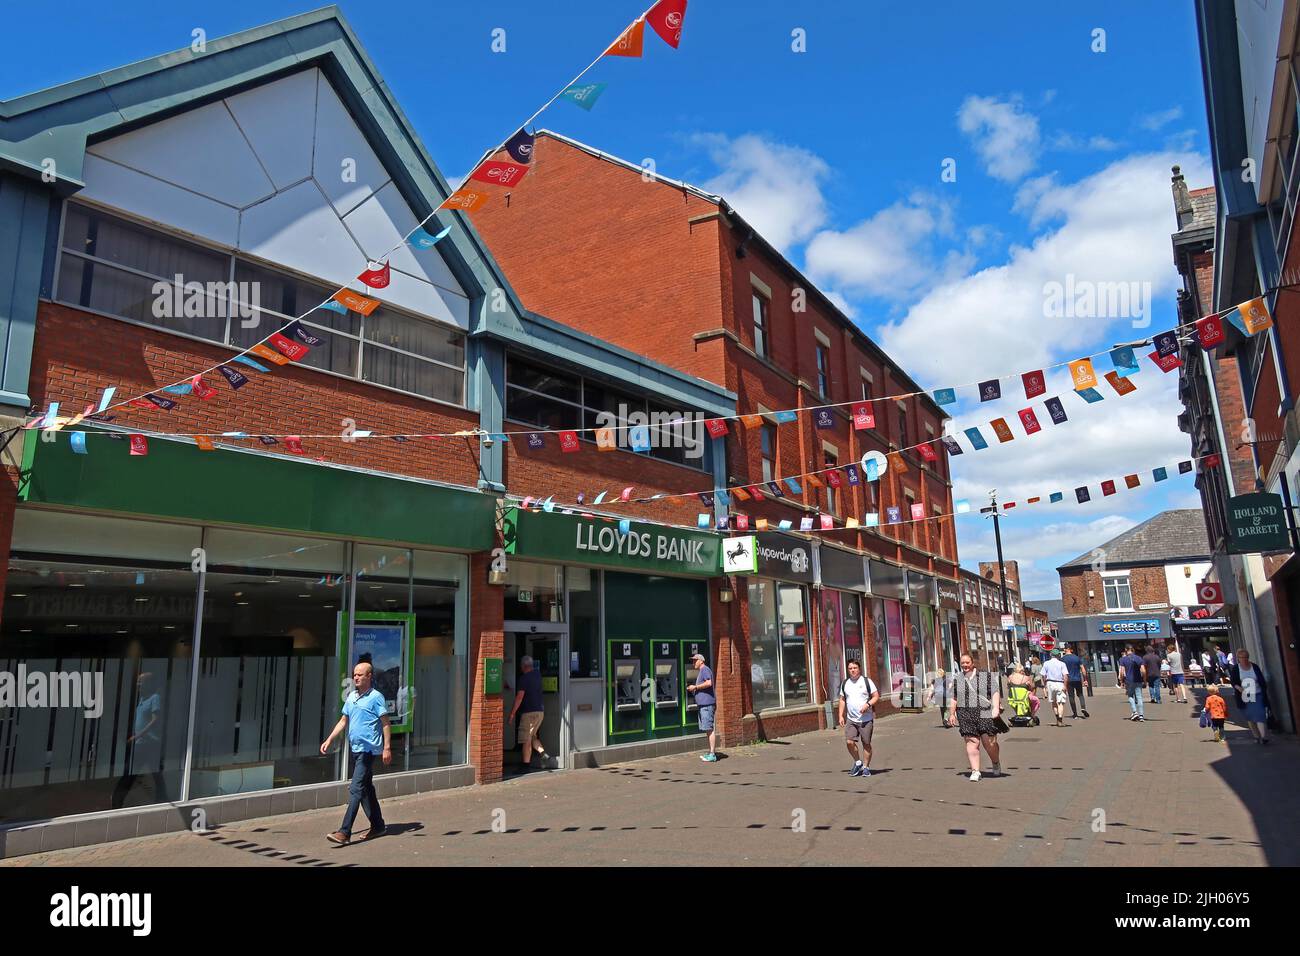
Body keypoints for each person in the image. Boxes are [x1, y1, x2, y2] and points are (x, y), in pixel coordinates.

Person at [322, 661, 391, 845]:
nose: (356, 677)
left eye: (360, 675)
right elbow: (344, 721)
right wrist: (330, 739)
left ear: (369, 676)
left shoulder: (376, 697)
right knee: (366, 789)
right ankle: (378, 826)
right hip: (355, 749)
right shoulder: (351, 697)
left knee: (356, 788)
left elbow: (385, 723)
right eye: (354, 674)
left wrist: (387, 748)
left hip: (369, 751)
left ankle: (344, 832)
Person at [111, 671, 168, 809]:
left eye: (140, 682)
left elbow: (155, 720)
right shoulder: (142, 700)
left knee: (132, 773)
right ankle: (162, 800)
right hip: (141, 744)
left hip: (149, 744)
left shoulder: (155, 698)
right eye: (137, 682)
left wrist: (138, 735)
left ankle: (117, 801)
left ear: (148, 683)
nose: (138, 685)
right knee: (151, 775)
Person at [948, 653, 1004, 781]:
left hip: (984, 712)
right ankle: (975, 771)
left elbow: (994, 691)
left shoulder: (982, 675)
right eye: (962, 663)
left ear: (972, 663)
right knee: (972, 742)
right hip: (965, 714)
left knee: (989, 742)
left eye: (967, 662)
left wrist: (995, 707)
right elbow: (954, 698)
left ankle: (995, 762)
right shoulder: (958, 679)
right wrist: (951, 714)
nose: (965, 665)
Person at [509, 655, 552, 770]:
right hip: (540, 712)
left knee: (526, 740)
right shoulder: (537, 675)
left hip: (529, 713)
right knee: (532, 736)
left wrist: (512, 713)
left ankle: (525, 766)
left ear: (523, 666)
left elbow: (519, 697)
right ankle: (543, 753)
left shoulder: (524, 679)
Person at [838, 659, 880, 776]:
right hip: (851, 719)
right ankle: (858, 762)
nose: (852, 670)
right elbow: (842, 700)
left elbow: (876, 696)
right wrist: (840, 715)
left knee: (866, 743)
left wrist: (868, 704)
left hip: (865, 720)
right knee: (849, 741)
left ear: (859, 668)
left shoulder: (867, 681)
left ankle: (866, 767)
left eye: (855, 668)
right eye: (850, 668)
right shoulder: (845, 683)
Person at [1228, 649, 1271, 744]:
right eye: (1242, 658)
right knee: (1250, 718)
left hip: (1257, 694)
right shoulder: (1236, 668)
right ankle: (1256, 736)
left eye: (1246, 657)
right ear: (1238, 659)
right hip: (1245, 697)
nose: (1244, 659)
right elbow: (1233, 681)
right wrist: (1238, 688)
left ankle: (1264, 737)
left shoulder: (1254, 667)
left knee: (1260, 715)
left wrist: (1264, 690)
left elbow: (1261, 680)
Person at [687, 652, 719, 761]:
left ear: (701, 661)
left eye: (695, 660)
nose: (693, 662)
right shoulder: (702, 671)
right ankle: (710, 752)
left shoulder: (705, 669)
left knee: (709, 729)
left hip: (707, 705)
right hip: (703, 705)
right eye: (693, 660)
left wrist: (695, 687)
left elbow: (709, 683)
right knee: (707, 729)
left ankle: (712, 755)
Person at [1040, 649, 1070, 727]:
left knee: (1053, 702)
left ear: (1051, 655)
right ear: (1058, 655)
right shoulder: (1062, 664)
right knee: (1060, 703)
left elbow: (1043, 675)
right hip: (1060, 683)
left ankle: (1057, 718)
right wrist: (1065, 686)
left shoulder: (1046, 663)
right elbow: (1065, 676)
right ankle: (1060, 719)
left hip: (1050, 683)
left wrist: (1045, 684)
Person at [1117, 644, 1147, 721]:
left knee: (1130, 696)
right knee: (1139, 697)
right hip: (1138, 680)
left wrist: (1121, 681)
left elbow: (1122, 671)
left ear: (1126, 650)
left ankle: (1134, 712)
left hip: (1129, 680)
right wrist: (1144, 680)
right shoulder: (1139, 658)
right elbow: (1143, 671)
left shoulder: (1123, 659)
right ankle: (1141, 715)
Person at [1061, 645, 1090, 718]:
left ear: (1067, 649)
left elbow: (1061, 671)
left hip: (1068, 680)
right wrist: (1085, 679)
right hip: (1077, 679)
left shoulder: (1063, 659)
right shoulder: (1077, 658)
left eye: (1064, 648)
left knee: (1071, 696)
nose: (1064, 650)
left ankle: (1075, 714)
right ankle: (1083, 708)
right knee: (1080, 694)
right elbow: (1083, 669)